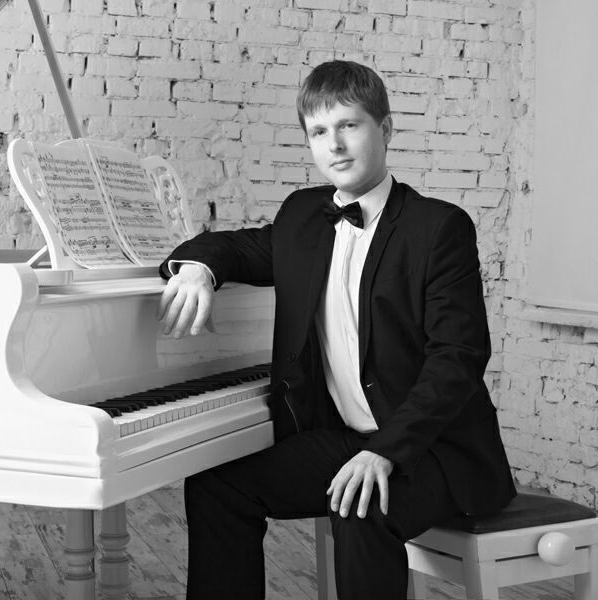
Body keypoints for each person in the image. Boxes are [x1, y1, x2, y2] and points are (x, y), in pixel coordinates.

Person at [157, 60, 515, 600]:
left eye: (350, 125)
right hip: (346, 439)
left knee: (362, 503)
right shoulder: (303, 216)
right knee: (217, 486)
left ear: (385, 128)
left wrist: (384, 452)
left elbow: (457, 359)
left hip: (435, 450)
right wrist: (197, 270)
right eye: (319, 131)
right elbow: (236, 247)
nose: (336, 145)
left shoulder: (439, 227)